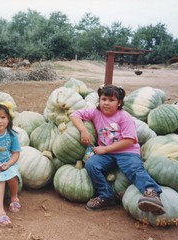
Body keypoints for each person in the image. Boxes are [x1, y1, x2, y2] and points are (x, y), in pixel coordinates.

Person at [70, 85, 165, 215]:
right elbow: (74, 115)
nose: (106, 103)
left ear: (119, 102)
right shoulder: (95, 112)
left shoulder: (124, 117)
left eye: (111, 100)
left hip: (126, 152)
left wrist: (105, 149)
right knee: (92, 165)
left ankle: (151, 193)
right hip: (107, 154)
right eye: (104, 99)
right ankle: (106, 196)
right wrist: (83, 130)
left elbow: (129, 140)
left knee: (133, 168)